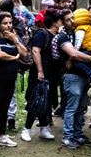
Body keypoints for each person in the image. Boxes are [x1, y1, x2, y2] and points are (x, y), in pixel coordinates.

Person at [54, 10, 91, 150]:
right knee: (72, 107)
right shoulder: (63, 37)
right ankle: (68, 137)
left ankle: (78, 134)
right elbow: (73, 53)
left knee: (81, 107)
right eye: (68, 19)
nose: (72, 21)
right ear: (62, 22)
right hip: (72, 76)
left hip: (83, 75)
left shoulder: (78, 32)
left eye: (73, 18)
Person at [0, 11, 28, 151]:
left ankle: (2, 135)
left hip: (10, 77)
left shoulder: (13, 38)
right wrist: (15, 58)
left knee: (5, 107)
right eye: (4, 23)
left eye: (9, 23)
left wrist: (15, 40)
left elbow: (25, 53)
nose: (8, 26)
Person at [20, 9, 62, 142]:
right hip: (40, 75)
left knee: (46, 100)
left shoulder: (57, 35)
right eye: (61, 20)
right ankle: (26, 129)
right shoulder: (42, 34)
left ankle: (44, 128)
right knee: (36, 101)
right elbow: (35, 51)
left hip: (51, 74)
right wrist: (40, 71)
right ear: (55, 22)